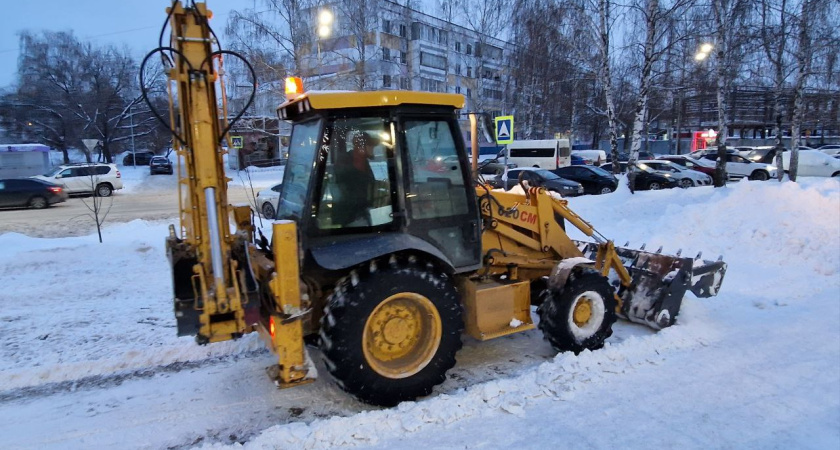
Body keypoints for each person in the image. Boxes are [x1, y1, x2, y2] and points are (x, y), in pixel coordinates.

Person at [332, 131, 378, 226]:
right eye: (370, 145)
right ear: (360, 147)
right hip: (349, 215)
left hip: (363, 212)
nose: (372, 148)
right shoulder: (344, 161)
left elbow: (369, 183)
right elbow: (343, 189)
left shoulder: (364, 162)